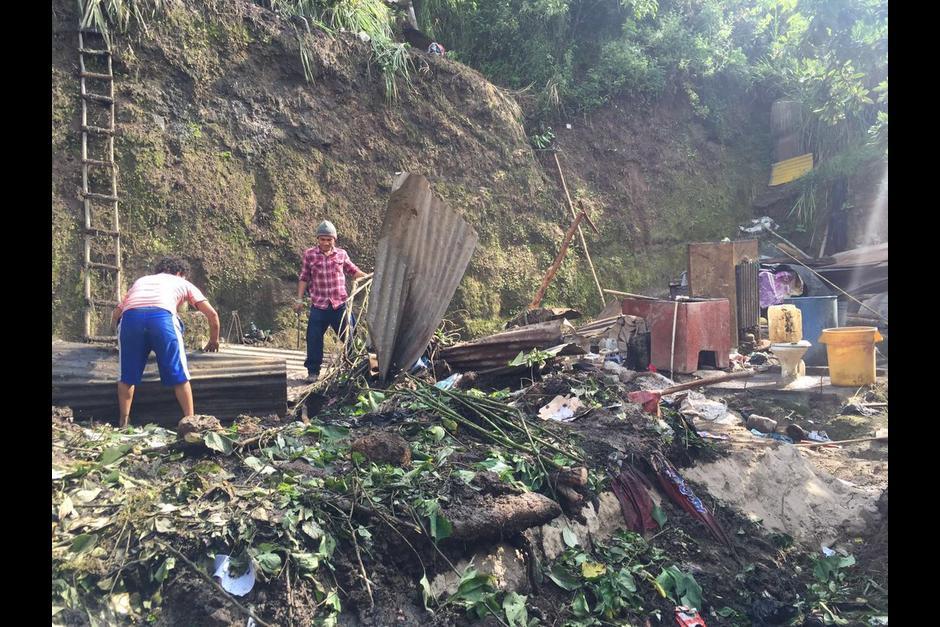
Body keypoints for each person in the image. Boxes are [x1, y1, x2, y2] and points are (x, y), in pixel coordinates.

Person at [110, 256, 221, 427]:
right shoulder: (182, 282)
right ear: (180, 273)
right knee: (179, 375)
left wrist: (118, 338)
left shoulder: (142, 281)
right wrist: (213, 340)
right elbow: (212, 315)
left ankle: (123, 421)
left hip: (131, 319)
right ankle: (190, 422)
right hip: (162, 318)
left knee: (126, 377)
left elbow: (116, 314)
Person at [294, 220, 368, 381]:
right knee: (313, 338)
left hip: (339, 305)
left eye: (329, 239)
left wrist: (369, 277)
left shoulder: (341, 254)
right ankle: (313, 372)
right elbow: (304, 277)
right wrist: (299, 299)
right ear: (318, 239)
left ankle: (356, 366)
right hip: (319, 305)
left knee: (350, 337)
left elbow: (353, 271)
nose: (326, 242)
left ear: (334, 239)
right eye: (322, 239)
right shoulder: (310, 255)